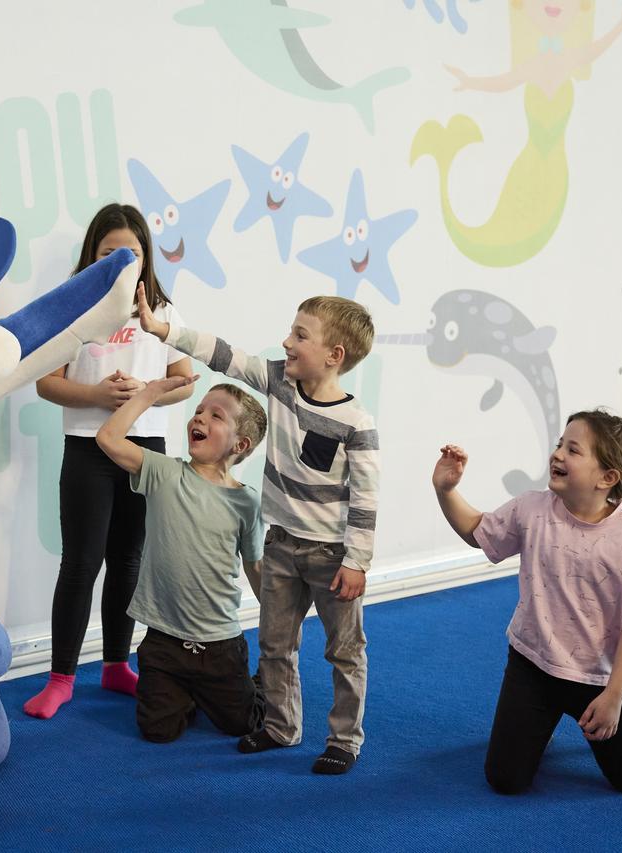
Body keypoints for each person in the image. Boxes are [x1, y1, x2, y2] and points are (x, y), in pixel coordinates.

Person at [138, 288, 378, 775]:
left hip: (332, 555)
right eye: (291, 330)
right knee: (275, 644)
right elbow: (224, 354)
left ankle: (344, 739)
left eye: (299, 335)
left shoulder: (356, 423)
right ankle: (281, 725)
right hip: (282, 546)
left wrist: (357, 561)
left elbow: (366, 499)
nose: (286, 341)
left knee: (345, 651)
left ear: (334, 356)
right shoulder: (278, 383)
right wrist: (165, 331)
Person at [432, 409, 622, 793]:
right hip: (532, 665)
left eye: (573, 450)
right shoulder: (532, 509)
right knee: (505, 781)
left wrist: (616, 696)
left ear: (608, 477)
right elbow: (476, 529)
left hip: (598, 679)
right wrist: (445, 490)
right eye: (559, 445)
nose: (558, 455)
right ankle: (541, 723)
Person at [24, 204, 194, 720]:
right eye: (110, 253)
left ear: (147, 257)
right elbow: (45, 382)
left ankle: (118, 665)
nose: (123, 262)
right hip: (88, 450)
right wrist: (98, 395)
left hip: (145, 453)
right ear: (92, 257)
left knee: (129, 560)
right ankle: (61, 678)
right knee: (81, 562)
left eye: (133, 253)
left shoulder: (163, 311)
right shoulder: (72, 309)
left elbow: (185, 381)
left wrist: (142, 394)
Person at [96, 375, 267, 743]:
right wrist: (151, 393)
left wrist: (277, 620)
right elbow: (108, 438)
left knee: (243, 724)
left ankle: (260, 681)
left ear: (241, 444)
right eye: (199, 410)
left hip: (220, 644)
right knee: (158, 731)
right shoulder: (163, 472)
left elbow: (255, 564)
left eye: (216, 416)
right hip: (163, 642)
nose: (200, 418)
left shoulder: (246, 502)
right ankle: (186, 694)